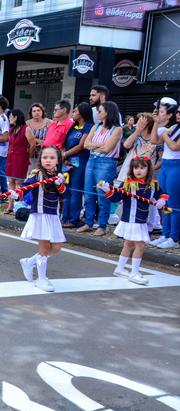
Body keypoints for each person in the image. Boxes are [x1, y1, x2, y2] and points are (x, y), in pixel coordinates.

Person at [101, 156, 166, 285]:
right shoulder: (127, 183)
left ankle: (120, 269)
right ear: (132, 169)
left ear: (148, 169)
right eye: (136, 168)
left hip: (142, 220)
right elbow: (115, 198)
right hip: (131, 220)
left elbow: (162, 194)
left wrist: (162, 200)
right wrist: (107, 190)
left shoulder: (153, 184)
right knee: (140, 245)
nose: (139, 170)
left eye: (142, 167)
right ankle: (134, 273)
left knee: (129, 244)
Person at [12, 145, 67, 292]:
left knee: (56, 248)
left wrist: (60, 185)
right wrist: (17, 194)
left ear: (58, 160)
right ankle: (41, 279)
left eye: (52, 158)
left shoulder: (60, 176)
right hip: (41, 214)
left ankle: (29, 262)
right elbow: (26, 186)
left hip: (53, 215)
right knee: (44, 248)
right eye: (45, 157)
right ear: (40, 159)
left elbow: (65, 195)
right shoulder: (37, 174)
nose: (48, 160)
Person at [78, 101, 123, 236]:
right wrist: (101, 144)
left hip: (106, 162)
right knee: (89, 193)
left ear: (108, 113)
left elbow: (107, 148)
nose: (97, 114)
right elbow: (86, 145)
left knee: (102, 194)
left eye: (100, 111)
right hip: (92, 160)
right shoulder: (96, 127)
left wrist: (95, 145)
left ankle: (102, 225)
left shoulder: (117, 129)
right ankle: (89, 222)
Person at [149, 98, 180, 248]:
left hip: (176, 166)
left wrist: (165, 134)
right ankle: (165, 234)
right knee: (164, 200)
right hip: (166, 166)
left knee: (174, 203)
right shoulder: (173, 128)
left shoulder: (170, 130)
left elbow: (174, 147)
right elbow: (154, 140)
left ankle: (174, 238)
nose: (178, 114)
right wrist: (156, 122)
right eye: (178, 112)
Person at [61, 102, 94, 228]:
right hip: (68, 162)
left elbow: (81, 146)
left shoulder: (89, 126)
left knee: (75, 190)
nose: (73, 112)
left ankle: (74, 219)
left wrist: (65, 154)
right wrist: (64, 156)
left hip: (80, 161)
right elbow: (65, 143)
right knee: (66, 189)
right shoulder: (73, 126)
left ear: (83, 112)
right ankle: (65, 217)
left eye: (76, 110)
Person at [4, 108, 36, 214]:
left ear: (16, 117)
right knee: (10, 181)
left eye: (11, 116)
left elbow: (32, 145)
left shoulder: (26, 129)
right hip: (11, 157)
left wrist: (27, 156)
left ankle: (18, 206)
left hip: (21, 157)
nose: (9, 118)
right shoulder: (12, 129)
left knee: (19, 182)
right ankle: (10, 206)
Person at [26, 102, 51, 170]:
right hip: (31, 152)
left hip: (45, 152)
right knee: (30, 173)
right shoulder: (27, 123)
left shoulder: (49, 122)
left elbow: (53, 136)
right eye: (34, 111)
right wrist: (36, 140)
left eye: (38, 110)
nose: (36, 112)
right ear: (31, 113)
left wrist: (45, 142)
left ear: (42, 111)